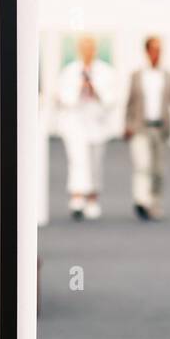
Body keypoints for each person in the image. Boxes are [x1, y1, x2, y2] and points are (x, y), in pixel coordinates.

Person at [55, 36, 117, 220]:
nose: (88, 51)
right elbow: (63, 98)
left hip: (97, 124)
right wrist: (79, 88)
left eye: (91, 47)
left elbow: (112, 99)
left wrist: (95, 89)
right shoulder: (69, 72)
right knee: (77, 160)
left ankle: (92, 199)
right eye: (84, 47)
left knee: (95, 162)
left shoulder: (106, 72)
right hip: (75, 123)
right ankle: (77, 197)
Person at [124, 36, 170, 221]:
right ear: (147, 51)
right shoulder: (137, 76)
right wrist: (126, 124)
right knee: (142, 165)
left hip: (161, 128)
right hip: (141, 126)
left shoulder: (168, 77)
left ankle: (154, 201)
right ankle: (142, 200)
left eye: (159, 50)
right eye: (153, 49)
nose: (157, 53)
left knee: (158, 169)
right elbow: (130, 102)